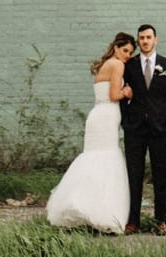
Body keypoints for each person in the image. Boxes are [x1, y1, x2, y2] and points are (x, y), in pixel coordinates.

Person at [45, 32, 137, 233]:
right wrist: (127, 92)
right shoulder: (117, 64)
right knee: (106, 159)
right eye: (125, 50)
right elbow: (114, 95)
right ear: (116, 48)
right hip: (106, 117)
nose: (128, 55)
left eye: (131, 52)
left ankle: (83, 204)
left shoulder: (104, 65)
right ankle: (100, 210)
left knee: (92, 159)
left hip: (97, 115)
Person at [121, 23, 166, 235]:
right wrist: (125, 121)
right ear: (138, 42)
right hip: (135, 130)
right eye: (141, 38)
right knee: (133, 176)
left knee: (161, 177)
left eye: (148, 37)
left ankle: (161, 221)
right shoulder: (130, 66)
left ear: (156, 40)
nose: (145, 41)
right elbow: (123, 93)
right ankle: (132, 221)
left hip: (160, 131)